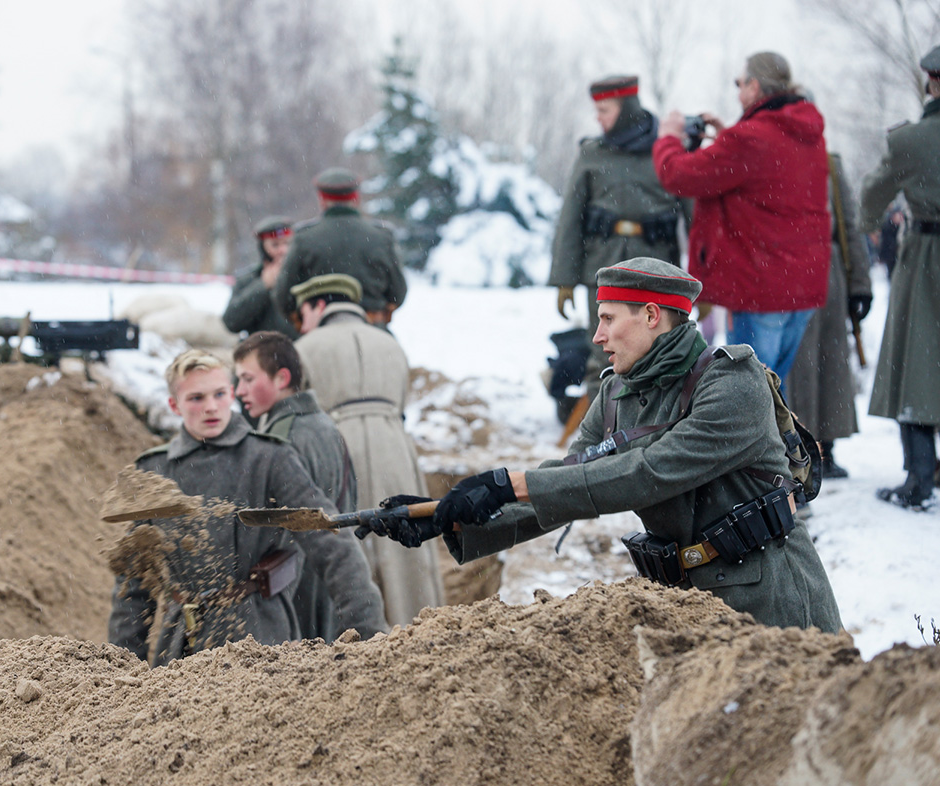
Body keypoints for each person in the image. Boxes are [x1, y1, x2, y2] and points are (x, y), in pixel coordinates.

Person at [362, 258, 843, 634]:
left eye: (609, 319)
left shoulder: (733, 383)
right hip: (685, 603)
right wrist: (447, 517)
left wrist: (511, 484)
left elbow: (648, 473)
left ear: (652, 316)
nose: (598, 336)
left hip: (772, 601)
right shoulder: (617, 391)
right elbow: (571, 480)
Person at [107, 349, 387, 665]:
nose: (211, 407)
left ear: (232, 394)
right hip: (178, 647)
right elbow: (133, 584)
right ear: (174, 405)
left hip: (260, 639)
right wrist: (123, 665)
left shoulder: (269, 459)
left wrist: (368, 633)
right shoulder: (154, 472)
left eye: (219, 394)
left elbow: (332, 544)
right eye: (196, 398)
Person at [653, 52, 831, 389]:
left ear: (754, 85)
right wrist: (729, 137)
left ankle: (764, 444)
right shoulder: (807, 134)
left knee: (749, 394)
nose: (737, 92)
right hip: (801, 287)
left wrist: (669, 138)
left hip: (759, 286)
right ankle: (780, 443)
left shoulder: (750, 139)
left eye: (739, 83)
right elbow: (766, 179)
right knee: (771, 390)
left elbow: (678, 175)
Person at [291, 274, 445, 626]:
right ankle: (419, 625)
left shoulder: (306, 347)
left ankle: (358, 632)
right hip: (394, 445)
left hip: (338, 445)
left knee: (348, 541)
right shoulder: (391, 344)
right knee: (406, 542)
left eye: (303, 312)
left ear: (317, 305)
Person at [550, 74, 691, 408]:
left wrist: (707, 283)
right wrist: (564, 280)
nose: (598, 118)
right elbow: (570, 218)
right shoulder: (592, 153)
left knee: (660, 352)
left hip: (658, 267)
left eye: (605, 109)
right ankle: (601, 440)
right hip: (603, 266)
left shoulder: (665, 151)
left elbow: (695, 217)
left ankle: (653, 433)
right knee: (604, 354)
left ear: (627, 108)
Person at [233, 331, 359, 641]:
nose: (239, 391)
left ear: (281, 378)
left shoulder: (281, 439)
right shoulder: (326, 425)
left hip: (297, 591)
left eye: (248, 379)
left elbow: (274, 534)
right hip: (329, 585)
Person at [857, 44, 940, 511]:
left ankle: (919, 479)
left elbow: (871, 198)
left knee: (919, 364)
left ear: (932, 79)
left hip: (927, 256)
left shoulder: (910, 141)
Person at [786, 153, 873, 479]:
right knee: (799, 365)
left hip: (829, 270)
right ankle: (799, 450)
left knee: (831, 362)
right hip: (788, 268)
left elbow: (850, 227)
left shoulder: (830, 163)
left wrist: (860, 284)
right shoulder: (770, 156)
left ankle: (827, 447)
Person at [274, 168, 408, 328]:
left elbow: (283, 297)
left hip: (321, 330)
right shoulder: (382, 237)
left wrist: (302, 320)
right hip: (372, 327)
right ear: (356, 199)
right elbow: (398, 294)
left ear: (321, 200)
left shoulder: (304, 238)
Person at [222, 216, 299, 340]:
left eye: (287, 243)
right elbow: (231, 322)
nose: (283, 250)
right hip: (261, 350)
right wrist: (262, 286)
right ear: (263, 248)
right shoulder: (249, 280)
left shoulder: (304, 275)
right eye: (275, 245)